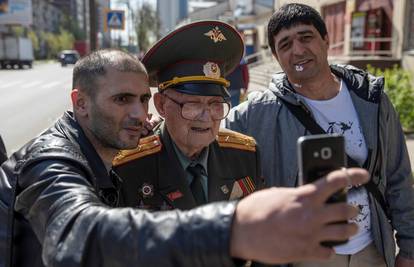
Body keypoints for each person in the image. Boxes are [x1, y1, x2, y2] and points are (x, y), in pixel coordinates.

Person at [0, 48, 369, 267]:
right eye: (121, 99)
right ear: (80, 103)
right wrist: (232, 228)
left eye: (142, 99)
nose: (138, 114)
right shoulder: (50, 159)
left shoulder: (113, 145)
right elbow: (78, 234)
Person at [225, 3, 414, 267]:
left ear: (326, 40)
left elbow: (398, 177)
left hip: (370, 251)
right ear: (277, 58)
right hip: (301, 256)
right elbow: (208, 138)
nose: (298, 50)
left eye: (306, 37)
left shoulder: (371, 100)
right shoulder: (258, 113)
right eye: (285, 44)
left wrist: (409, 246)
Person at [113, 20, 261, 211]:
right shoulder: (129, 166)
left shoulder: (245, 155)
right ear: (161, 105)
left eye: (215, 105)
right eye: (192, 105)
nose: (206, 117)